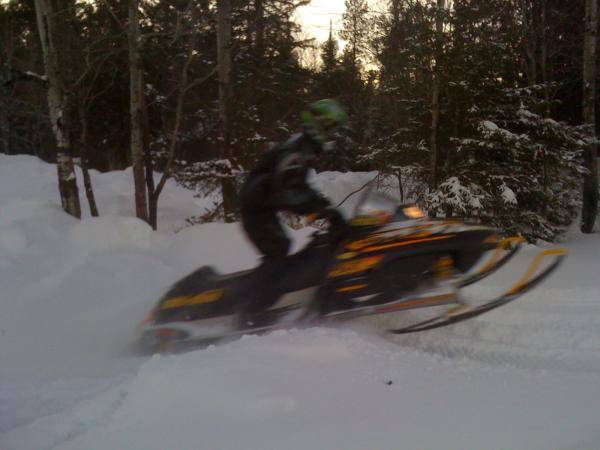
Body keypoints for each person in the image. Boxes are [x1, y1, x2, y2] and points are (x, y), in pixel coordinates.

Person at [237, 99, 349, 327]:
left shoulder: (301, 147)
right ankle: (250, 314)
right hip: (256, 208)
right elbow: (289, 192)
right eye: (329, 127)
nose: (331, 134)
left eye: (333, 129)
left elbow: (298, 187)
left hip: (261, 206)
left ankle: (273, 300)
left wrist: (325, 209)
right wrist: (324, 212)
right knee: (278, 250)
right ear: (317, 123)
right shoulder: (297, 149)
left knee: (285, 248)